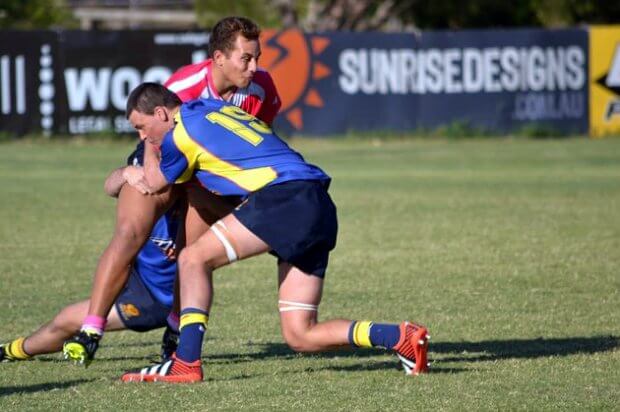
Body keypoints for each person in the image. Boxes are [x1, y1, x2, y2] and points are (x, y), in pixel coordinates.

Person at [119, 83, 430, 383]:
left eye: (141, 127)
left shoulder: (181, 134)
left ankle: (185, 363)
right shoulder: (211, 108)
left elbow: (154, 182)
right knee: (300, 334)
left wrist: (136, 160)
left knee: (192, 259)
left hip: (284, 196)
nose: (143, 136)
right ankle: (399, 337)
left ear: (161, 113)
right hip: (317, 201)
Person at [62, 16, 281, 366]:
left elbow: (257, 143)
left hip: (205, 176)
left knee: (190, 254)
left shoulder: (262, 89)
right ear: (218, 58)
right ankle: (91, 329)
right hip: (162, 160)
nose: (255, 66)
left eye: (257, 57)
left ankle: (175, 330)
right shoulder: (185, 85)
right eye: (246, 58)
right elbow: (153, 136)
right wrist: (137, 175)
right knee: (131, 231)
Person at [1, 147, 181, 365]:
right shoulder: (145, 172)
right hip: (135, 272)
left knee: (67, 320)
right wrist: (126, 172)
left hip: (155, 299)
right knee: (69, 318)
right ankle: (11, 350)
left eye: (142, 127)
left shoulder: (192, 193)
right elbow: (111, 187)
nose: (143, 180)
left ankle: (13, 351)